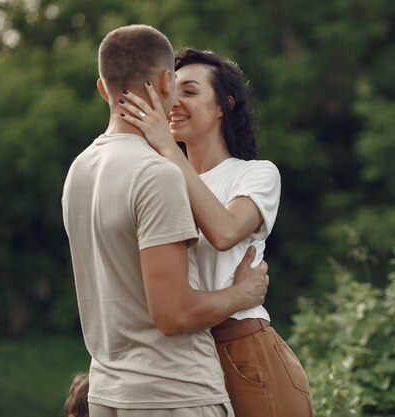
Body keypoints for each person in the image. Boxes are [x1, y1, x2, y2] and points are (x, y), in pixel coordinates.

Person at [61, 25, 269, 417]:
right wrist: (244, 294)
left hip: (109, 391)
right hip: (173, 394)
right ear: (164, 83)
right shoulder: (157, 174)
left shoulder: (80, 169)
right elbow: (174, 314)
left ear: (104, 90)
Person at [118, 48, 313, 417]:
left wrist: (164, 145)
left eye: (189, 91)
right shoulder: (160, 178)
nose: (174, 101)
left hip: (242, 350)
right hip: (181, 358)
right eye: (171, 92)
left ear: (224, 105)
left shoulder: (256, 174)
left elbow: (225, 232)